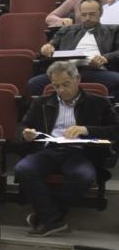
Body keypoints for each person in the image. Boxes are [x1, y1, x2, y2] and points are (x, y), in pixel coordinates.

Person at [15, 61, 119, 236]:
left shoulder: (98, 103)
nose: (61, 90)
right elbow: (22, 127)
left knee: (83, 176)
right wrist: (26, 134)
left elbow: (116, 130)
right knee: (23, 169)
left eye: (66, 84)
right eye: (56, 86)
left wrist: (87, 130)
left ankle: (47, 216)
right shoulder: (41, 102)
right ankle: (52, 218)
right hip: (48, 149)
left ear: (77, 79)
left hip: (80, 151)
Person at [30, 0, 119, 98]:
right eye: (84, 15)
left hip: (95, 70)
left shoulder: (113, 30)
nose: (87, 18)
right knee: (35, 83)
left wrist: (105, 58)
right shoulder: (66, 30)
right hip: (67, 70)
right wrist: (46, 49)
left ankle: (107, 110)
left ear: (100, 13)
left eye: (92, 14)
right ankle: (57, 109)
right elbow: (51, 46)